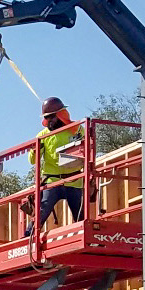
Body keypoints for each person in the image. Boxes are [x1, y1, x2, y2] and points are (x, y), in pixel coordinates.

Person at [25, 96, 87, 236]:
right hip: (52, 181)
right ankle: (28, 236)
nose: (49, 121)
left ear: (60, 115)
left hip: (74, 179)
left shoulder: (76, 130)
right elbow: (32, 160)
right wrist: (35, 150)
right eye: (47, 118)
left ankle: (84, 235)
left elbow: (87, 149)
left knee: (80, 214)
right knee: (42, 210)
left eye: (51, 117)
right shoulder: (42, 136)